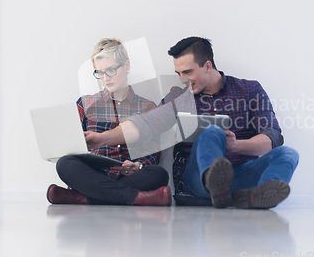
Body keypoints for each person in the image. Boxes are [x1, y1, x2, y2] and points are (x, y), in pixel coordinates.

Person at [85, 37, 299, 209]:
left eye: (187, 72)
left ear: (207, 66)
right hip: (198, 180)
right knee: (212, 131)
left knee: (288, 154)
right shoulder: (179, 97)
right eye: (179, 73)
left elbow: (271, 137)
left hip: (242, 172)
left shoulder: (250, 90)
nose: (182, 79)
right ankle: (217, 186)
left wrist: (236, 146)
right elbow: (145, 124)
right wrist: (102, 138)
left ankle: (256, 196)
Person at [47, 38, 171, 206]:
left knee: (159, 174)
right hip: (93, 174)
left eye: (111, 70)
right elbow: (72, 148)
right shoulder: (85, 104)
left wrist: (137, 165)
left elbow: (152, 153)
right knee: (64, 164)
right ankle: (137, 197)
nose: (105, 78)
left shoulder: (147, 106)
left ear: (126, 66)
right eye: (99, 72)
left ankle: (80, 198)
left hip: (127, 176)